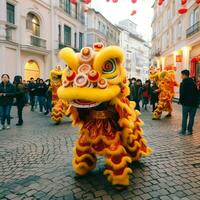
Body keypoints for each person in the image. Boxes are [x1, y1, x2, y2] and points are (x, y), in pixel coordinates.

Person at [179, 70, 198, 135]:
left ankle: (183, 131)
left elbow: (182, 94)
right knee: (191, 118)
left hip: (186, 104)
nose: (181, 76)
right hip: (194, 104)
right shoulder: (194, 83)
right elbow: (197, 93)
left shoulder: (183, 83)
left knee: (184, 117)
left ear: (184, 75)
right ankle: (190, 130)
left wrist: (181, 101)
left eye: (181, 75)